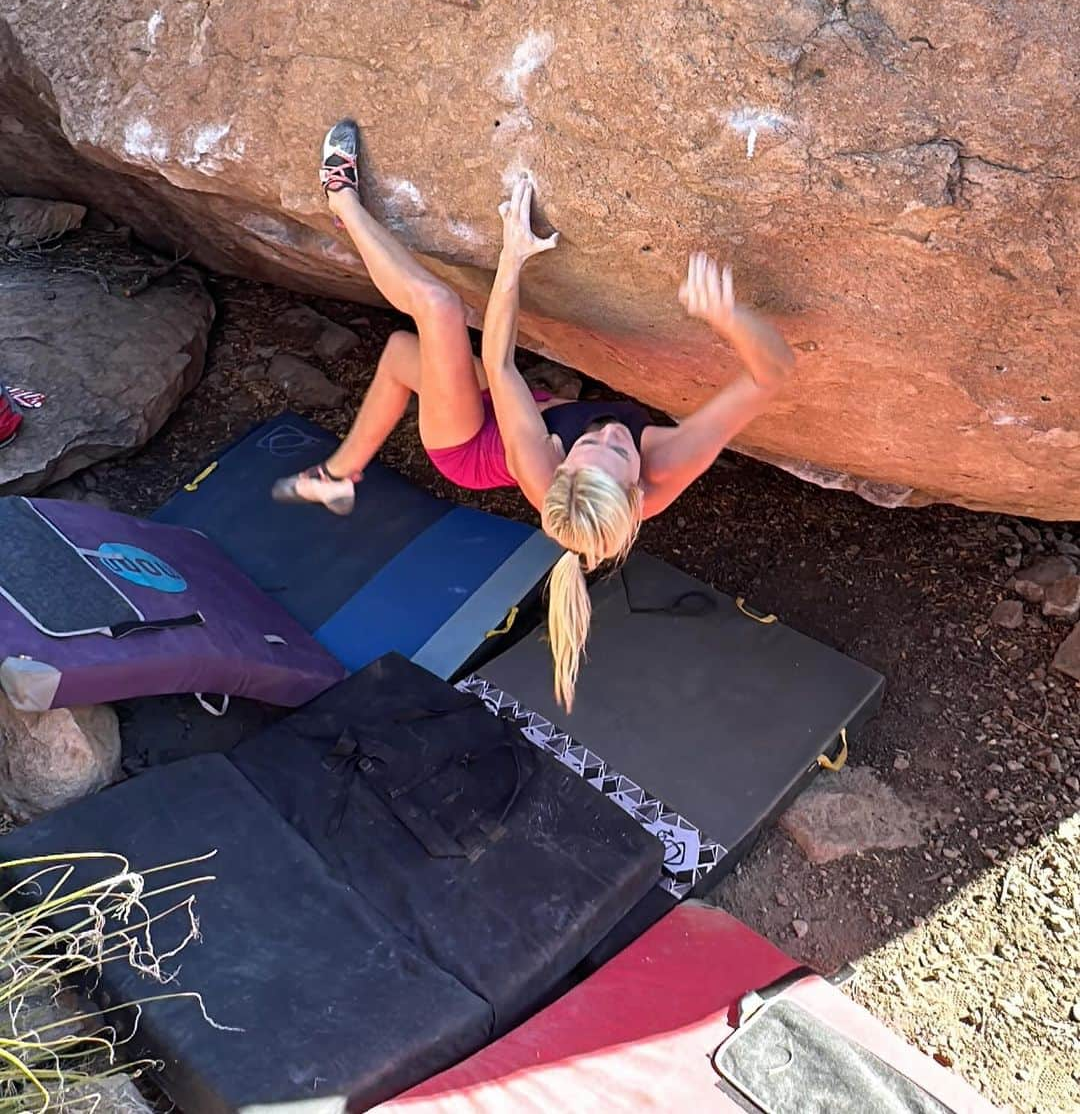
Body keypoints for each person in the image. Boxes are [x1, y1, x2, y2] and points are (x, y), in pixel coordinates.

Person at [274, 120, 795, 708]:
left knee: (440, 308)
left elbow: (500, 365)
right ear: (635, 490)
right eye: (612, 450)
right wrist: (733, 320)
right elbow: (772, 376)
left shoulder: (541, 465)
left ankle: (339, 196)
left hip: (470, 446)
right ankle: (340, 475)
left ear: (559, 463)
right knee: (400, 356)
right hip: (524, 411)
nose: (608, 434)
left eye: (592, 448)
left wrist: (512, 257)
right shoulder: (666, 467)